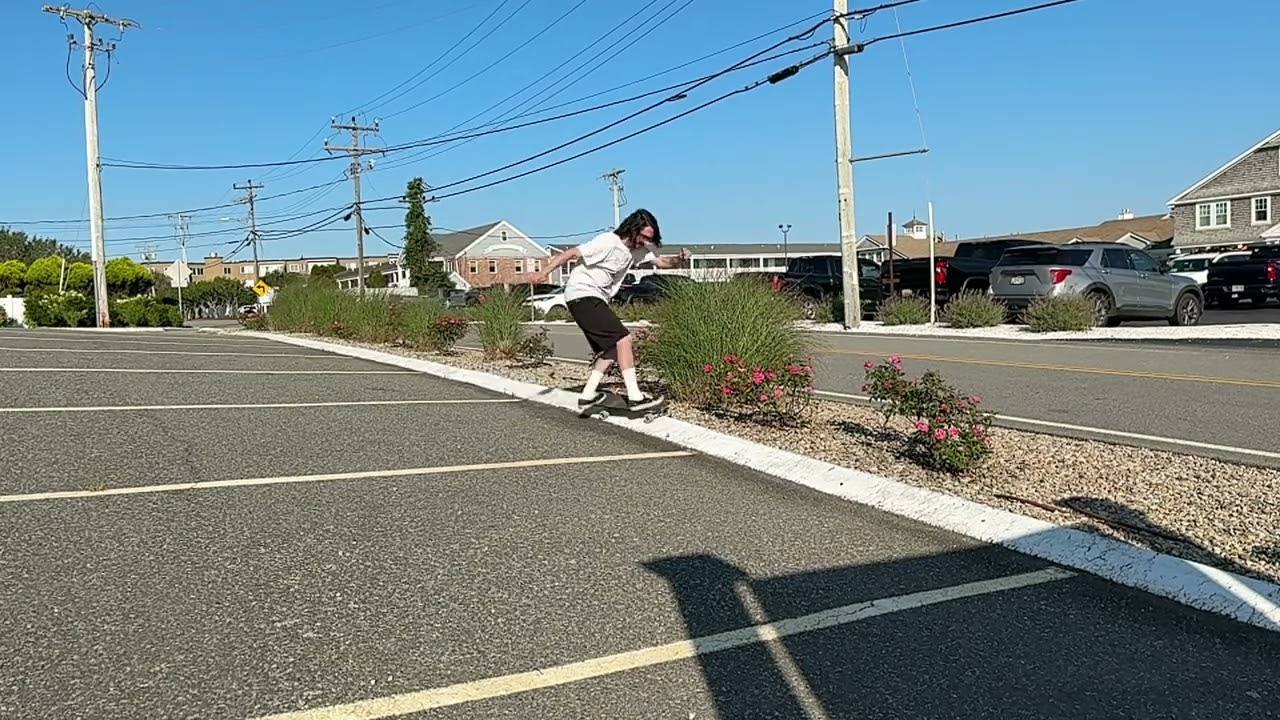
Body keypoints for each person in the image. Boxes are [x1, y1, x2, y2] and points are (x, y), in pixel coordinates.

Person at [526, 208, 688, 411]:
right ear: (632, 229)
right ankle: (635, 397)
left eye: (649, 239)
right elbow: (571, 253)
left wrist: (680, 259)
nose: (644, 242)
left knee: (613, 348)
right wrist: (543, 272)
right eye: (643, 237)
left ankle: (587, 395)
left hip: (595, 298)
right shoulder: (608, 242)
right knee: (624, 339)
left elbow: (662, 262)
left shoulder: (638, 251)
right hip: (581, 294)